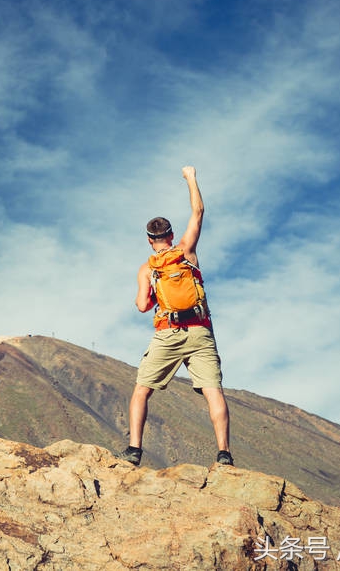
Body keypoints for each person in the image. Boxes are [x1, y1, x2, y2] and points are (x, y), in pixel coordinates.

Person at [121, 166, 232, 467]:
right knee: (213, 391)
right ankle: (223, 453)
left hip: (168, 332)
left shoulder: (147, 268)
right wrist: (191, 178)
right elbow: (198, 211)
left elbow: (143, 305)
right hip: (200, 331)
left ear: (149, 240)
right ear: (170, 235)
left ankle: (134, 450)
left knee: (142, 390)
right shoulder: (186, 251)